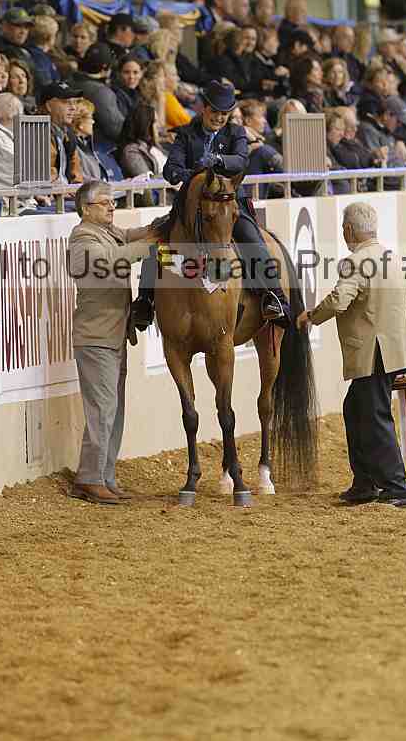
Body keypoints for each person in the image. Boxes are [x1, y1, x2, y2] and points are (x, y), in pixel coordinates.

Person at [130, 80, 290, 329]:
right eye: (215, 111)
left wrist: (217, 160)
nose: (219, 117)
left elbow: (241, 161)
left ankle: (274, 296)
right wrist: (194, 177)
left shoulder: (236, 132)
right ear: (204, 108)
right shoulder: (186, 133)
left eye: (224, 113)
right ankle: (145, 300)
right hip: (192, 206)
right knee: (157, 241)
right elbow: (171, 169)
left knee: (252, 238)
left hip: (228, 204)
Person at [297, 201, 406, 507]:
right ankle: (365, 482)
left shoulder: (354, 262)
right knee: (355, 408)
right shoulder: (393, 258)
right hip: (394, 352)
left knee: (375, 416)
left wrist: (311, 316)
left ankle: (396, 487)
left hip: (372, 354)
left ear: (349, 230)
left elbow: (340, 300)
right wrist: (394, 332)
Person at [68, 181, 164, 505]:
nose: (112, 207)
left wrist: (161, 225)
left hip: (112, 336)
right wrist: (149, 244)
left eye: (113, 202)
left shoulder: (109, 233)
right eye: (105, 203)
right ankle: (89, 478)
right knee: (103, 410)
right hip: (96, 338)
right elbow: (111, 259)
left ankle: (104, 476)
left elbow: (135, 235)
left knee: (113, 410)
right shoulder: (82, 238)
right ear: (86, 209)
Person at [71, 43, 125, 148]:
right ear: (105, 67)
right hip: (97, 149)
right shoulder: (101, 92)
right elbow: (116, 129)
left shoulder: (68, 81)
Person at [38, 81, 84, 184]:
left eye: (74, 102)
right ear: (49, 106)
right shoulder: (37, 132)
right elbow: (45, 178)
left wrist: (77, 187)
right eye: (66, 102)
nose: (73, 107)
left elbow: (76, 173)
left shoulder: (68, 134)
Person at [115, 100, 167, 178]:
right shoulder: (131, 152)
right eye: (155, 122)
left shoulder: (153, 146)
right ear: (145, 125)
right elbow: (148, 181)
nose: (158, 126)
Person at [70, 99, 108, 181]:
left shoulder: (86, 144)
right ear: (80, 124)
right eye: (90, 118)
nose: (93, 122)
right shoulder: (73, 146)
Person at [27, 14, 61, 88]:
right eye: (55, 34)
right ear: (48, 37)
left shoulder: (38, 54)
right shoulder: (40, 58)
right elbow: (48, 84)